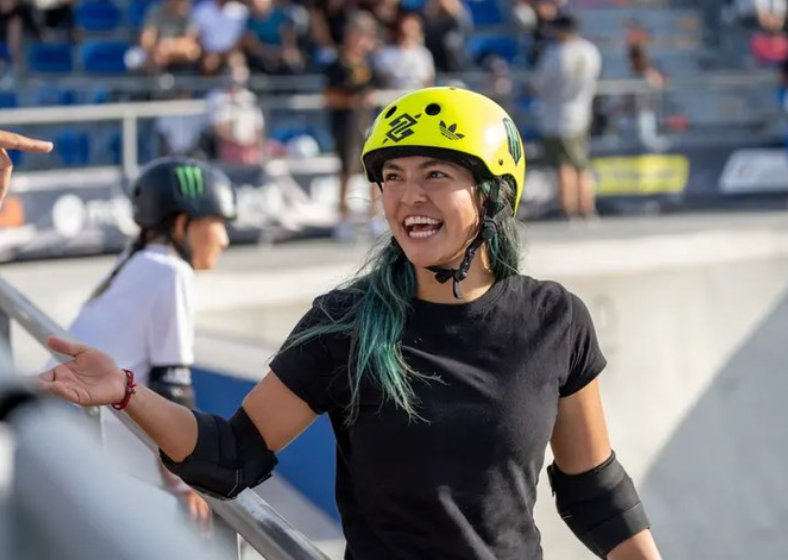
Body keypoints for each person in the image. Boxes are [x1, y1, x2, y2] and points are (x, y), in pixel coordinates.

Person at [39, 87, 662, 560]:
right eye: (392, 177)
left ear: (493, 194)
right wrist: (124, 390)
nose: (406, 196)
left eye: (435, 175)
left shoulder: (556, 320)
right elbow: (231, 457)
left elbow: (593, 490)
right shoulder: (347, 323)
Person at [49, 157, 238, 535]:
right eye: (217, 223)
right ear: (183, 223)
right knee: (219, 522)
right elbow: (174, 389)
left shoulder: (133, 261)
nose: (225, 239)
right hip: (107, 468)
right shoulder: (170, 272)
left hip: (69, 450)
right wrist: (187, 486)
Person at [531, 13, 601, 221]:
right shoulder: (590, 51)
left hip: (557, 115)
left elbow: (540, 84)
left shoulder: (556, 54)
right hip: (581, 111)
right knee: (582, 164)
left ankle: (569, 208)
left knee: (564, 164)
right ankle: (587, 206)